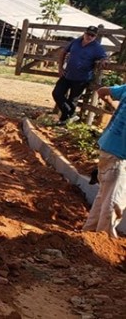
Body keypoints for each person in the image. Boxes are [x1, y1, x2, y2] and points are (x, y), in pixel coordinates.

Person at [83, 84, 126, 237]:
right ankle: (103, 239)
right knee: (114, 201)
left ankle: (89, 235)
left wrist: (115, 106)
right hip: (120, 154)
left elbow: (102, 92)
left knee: (104, 196)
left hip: (108, 147)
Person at [53, 25, 108, 125]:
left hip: (81, 78)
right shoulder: (76, 42)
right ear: (84, 33)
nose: (89, 37)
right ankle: (71, 114)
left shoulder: (97, 47)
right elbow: (63, 52)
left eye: (92, 35)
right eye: (88, 34)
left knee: (72, 100)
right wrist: (60, 68)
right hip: (67, 74)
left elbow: (104, 57)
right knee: (57, 93)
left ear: (95, 37)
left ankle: (64, 120)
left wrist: (104, 60)